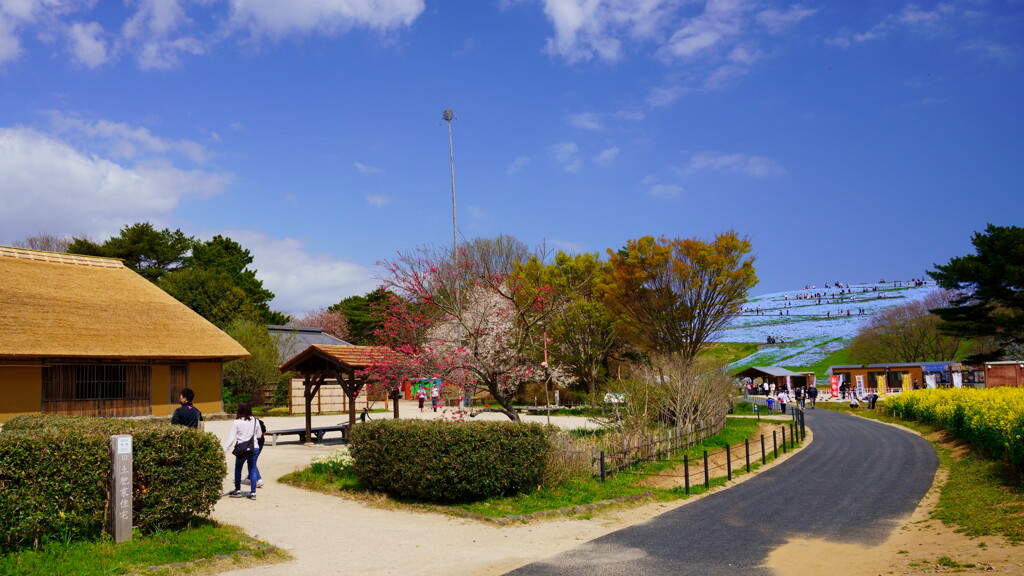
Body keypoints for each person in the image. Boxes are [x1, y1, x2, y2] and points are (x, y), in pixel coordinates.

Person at [224, 402, 262, 500]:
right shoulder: (255, 421)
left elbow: (232, 437)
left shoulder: (237, 422)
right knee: (252, 469)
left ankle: (238, 490)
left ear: (239, 410)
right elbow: (259, 435)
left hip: (242, 449)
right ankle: (253, 492)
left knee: (238, 468)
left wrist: (225, 449)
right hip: (254, 447)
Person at [242, 416, 266, 489]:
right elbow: (263, 432)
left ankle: (258, 479)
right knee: (252, 460)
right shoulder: (260, 422)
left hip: (252, 443)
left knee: (251, 462)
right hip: (261, 442)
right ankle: (250, 477)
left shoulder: (246, 423)